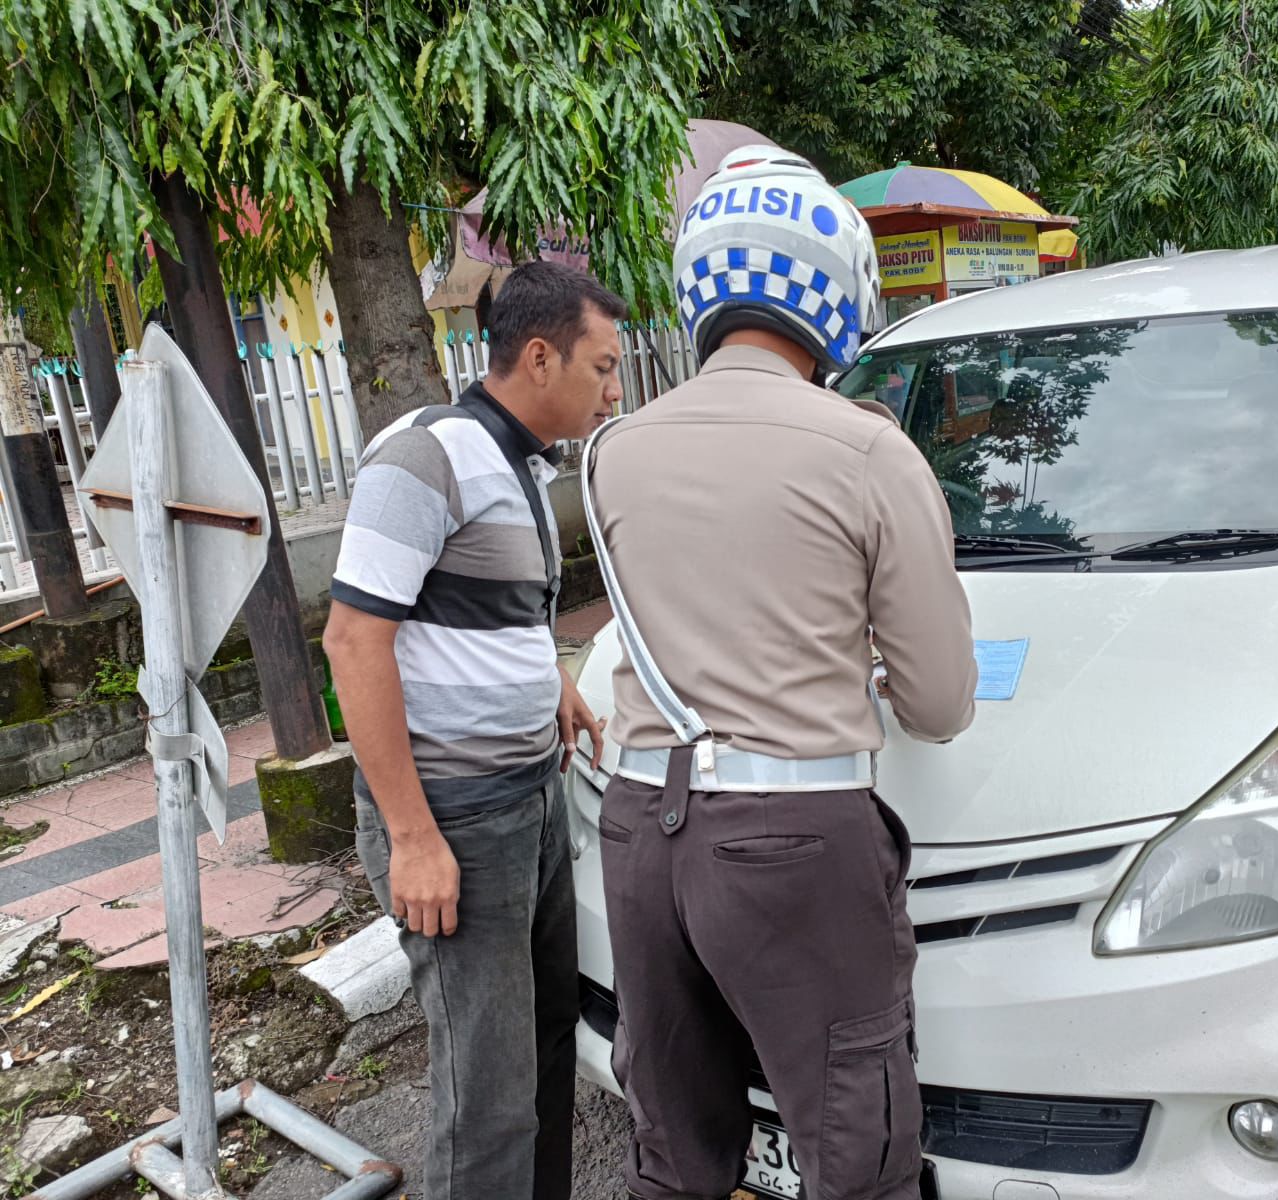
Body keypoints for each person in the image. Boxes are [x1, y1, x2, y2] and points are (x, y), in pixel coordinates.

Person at [583, 145, 979, 1200]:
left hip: (636, 830)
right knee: (855, 1145)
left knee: (672, 1143)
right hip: (793, 842)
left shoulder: (615, 449)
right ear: (836, 293)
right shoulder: (865, 450)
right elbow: (938, 700)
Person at [324, 261, 617, 1199]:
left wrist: (553, 686)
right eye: (602, 367)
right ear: (539, 357)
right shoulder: (425, 456)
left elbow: (504, 608)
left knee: (542, 1052)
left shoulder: (522, 462)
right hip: (454, 819)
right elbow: (354, 639)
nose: (615, 388)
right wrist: (413, 839)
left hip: (529, 801)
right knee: (484, 1097)